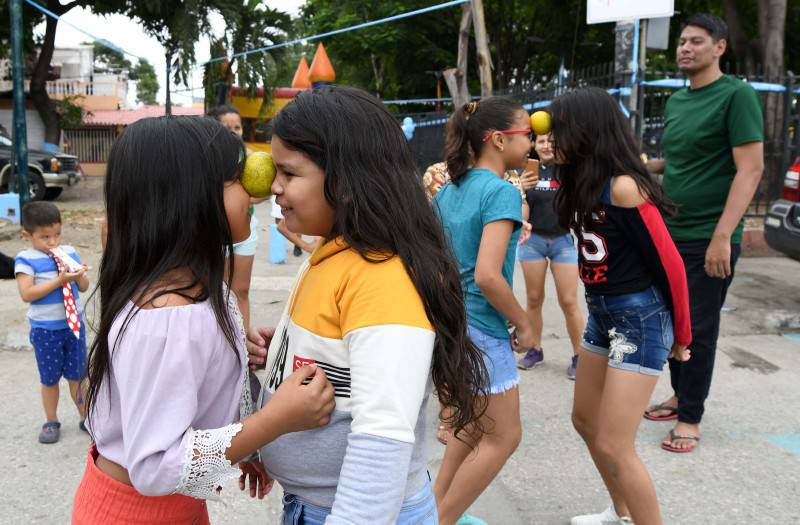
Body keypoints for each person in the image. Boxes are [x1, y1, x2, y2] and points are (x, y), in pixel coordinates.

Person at [71, 116, 335, 524]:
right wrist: (272, 422)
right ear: (191, 198)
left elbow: (184, 398)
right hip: (139, 512)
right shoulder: (169, 318)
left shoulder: (193, 291)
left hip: (169, 504)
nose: (257, 188)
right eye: (236, 179)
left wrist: (229, 363)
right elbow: (156, 465)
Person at [245, 86, 487, 525]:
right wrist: (285, 351)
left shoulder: (381, 279)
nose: (274, 188)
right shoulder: (336, 252)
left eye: (289, 173)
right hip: (314, 504)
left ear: (348, 180)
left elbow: (382, 442)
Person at [547, 87, 692, 525]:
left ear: (585, 131)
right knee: (585, 421)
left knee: (614, 442)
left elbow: (671, 268)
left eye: (559, 128)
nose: (551, 136)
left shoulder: (625, 188)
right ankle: (621, 512)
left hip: (639, 317)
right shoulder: (582, 183)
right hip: (603, 314)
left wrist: (682, 338)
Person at [644, 14, 764, 453]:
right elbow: (677, 162)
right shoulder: (678, 102)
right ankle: (679, 395)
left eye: (696, 41)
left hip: (708, 236)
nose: (685, 48)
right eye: (682, 42)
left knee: (698, 328)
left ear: (720, 47)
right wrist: (645, 165)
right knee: (673, 322)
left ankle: (691, 417)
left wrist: (723, 236)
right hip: (669, 231)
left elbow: (751, 169)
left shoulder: (737, 96)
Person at [432, 97, 534, 525]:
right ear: (497, 139)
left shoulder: (449, 190)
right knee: (504, 437)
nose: (533, 141)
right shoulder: (501, 192)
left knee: (471, 429)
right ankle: (437, 520)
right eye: (527, 134)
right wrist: (525, 322)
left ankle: (429, 509)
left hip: (452, 323)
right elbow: (490, 277)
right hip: (482, 327)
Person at [15, 201, 89, 444]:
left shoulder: (69, 252)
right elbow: (27, 294)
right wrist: (59, 280)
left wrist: (78, 276)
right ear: (28, 235)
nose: (53, 242)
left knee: (78, 376)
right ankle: (51, 420)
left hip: (73, 326)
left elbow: (85, 286)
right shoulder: (26, 259)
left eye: (57, 234)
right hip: (46, 330)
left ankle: (85, 417)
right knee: (49, 378)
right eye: (45, 237)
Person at [516, 133, 584, 379]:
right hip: (532, 241)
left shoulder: (569, 171)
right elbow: (519, 205)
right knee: (534, 298)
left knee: (569, 301)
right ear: (534, 144)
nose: (547, 146)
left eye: (553, 142)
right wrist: (521, 188)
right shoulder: (526, 169)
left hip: (562, 241)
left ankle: (579, 356)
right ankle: (535, 350)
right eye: (543, 141)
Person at [209, 104, 259, 330]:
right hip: (215, 231)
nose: (232, 131)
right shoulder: (206, 157)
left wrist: (245, 199)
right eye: (225, 127)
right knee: (216, 290)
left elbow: (260, 194)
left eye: (236, 127)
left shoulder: (248, 158)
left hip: (246, 230)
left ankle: (245, 344)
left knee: (240, 290)